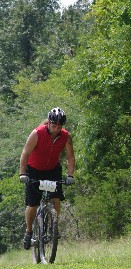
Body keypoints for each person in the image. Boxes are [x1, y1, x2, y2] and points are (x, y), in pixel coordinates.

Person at [19, 107, 75, 250]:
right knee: (32, 204)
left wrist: (70, 175)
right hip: (34, 170)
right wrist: (22, 173)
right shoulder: (37, 133)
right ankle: (29, 231)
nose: (56, 129)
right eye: (54, 125)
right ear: (48, 123)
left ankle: (53, 227)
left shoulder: (65, 136)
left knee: (56, 198)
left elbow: (70, 157)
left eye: (59, 126)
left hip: (52, 170)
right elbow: (25, 154)